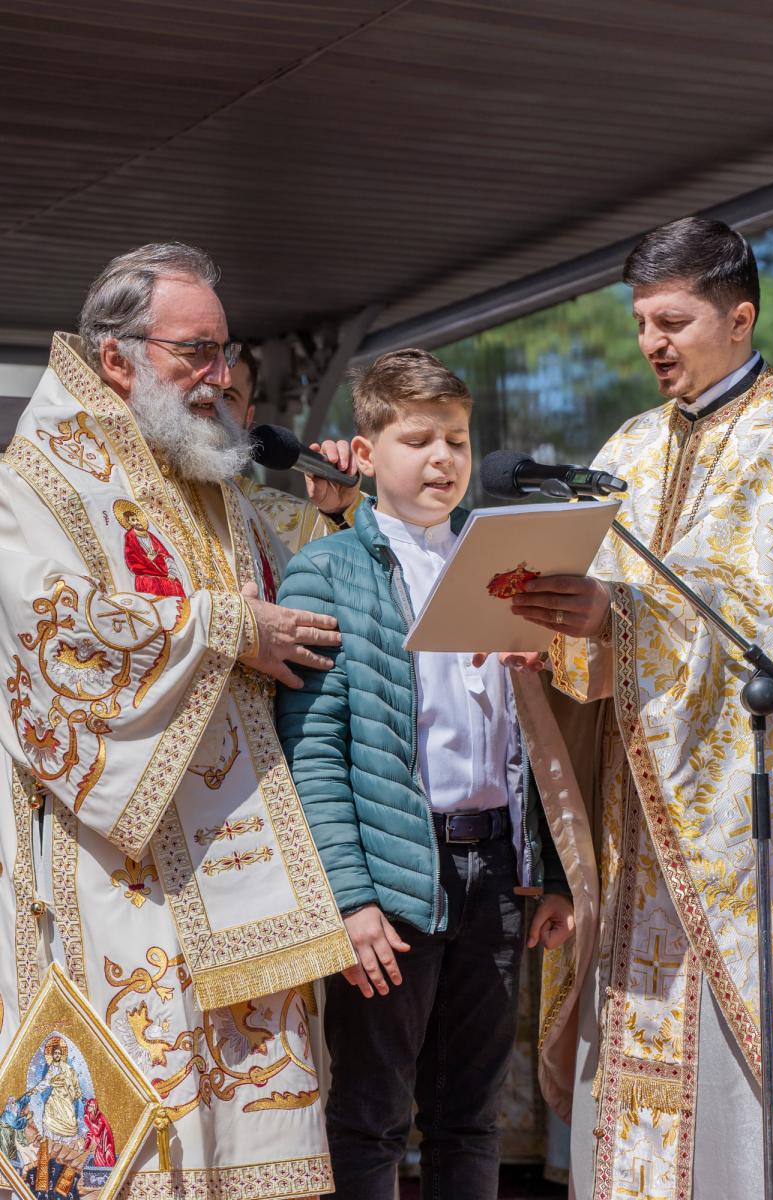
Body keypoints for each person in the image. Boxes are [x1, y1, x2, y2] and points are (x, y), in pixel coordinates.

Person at [503, 218, 773, 1198]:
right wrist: (550, 638)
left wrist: (620, 617)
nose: (651, 343)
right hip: (643, 829)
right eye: (641, 322)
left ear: (737, 318)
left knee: (748, 1076)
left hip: (756, 834)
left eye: (672, 320)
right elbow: (605, 626)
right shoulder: (628, 446)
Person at [0, 242, 357, 1200]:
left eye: (225, 353)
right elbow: (55, 636)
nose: (221, 376)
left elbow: (301, 599)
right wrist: (229, 626)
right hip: (123, 866)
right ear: (116, 359)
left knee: (255, 1139)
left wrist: (343, 515)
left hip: (244, 861)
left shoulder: (202, 468)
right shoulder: (39, 478)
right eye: (195, 352)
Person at [275, 348, 576, 1200]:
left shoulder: (503, 564)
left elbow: (533, 740)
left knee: (469, 1113)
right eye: (417, 439)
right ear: (366, 454)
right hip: (396, 878)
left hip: (494, 871)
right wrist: (349, 896)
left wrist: (548, 871)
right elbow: (313, 749)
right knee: (372, 1115)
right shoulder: (330, 570)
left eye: (457, 438)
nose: (442, 458)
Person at [223, 343, 361, 553]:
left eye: (227, 397)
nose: (212, 403)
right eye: (205, 390)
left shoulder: (296, 521)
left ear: (248, 417)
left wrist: (341, 512)